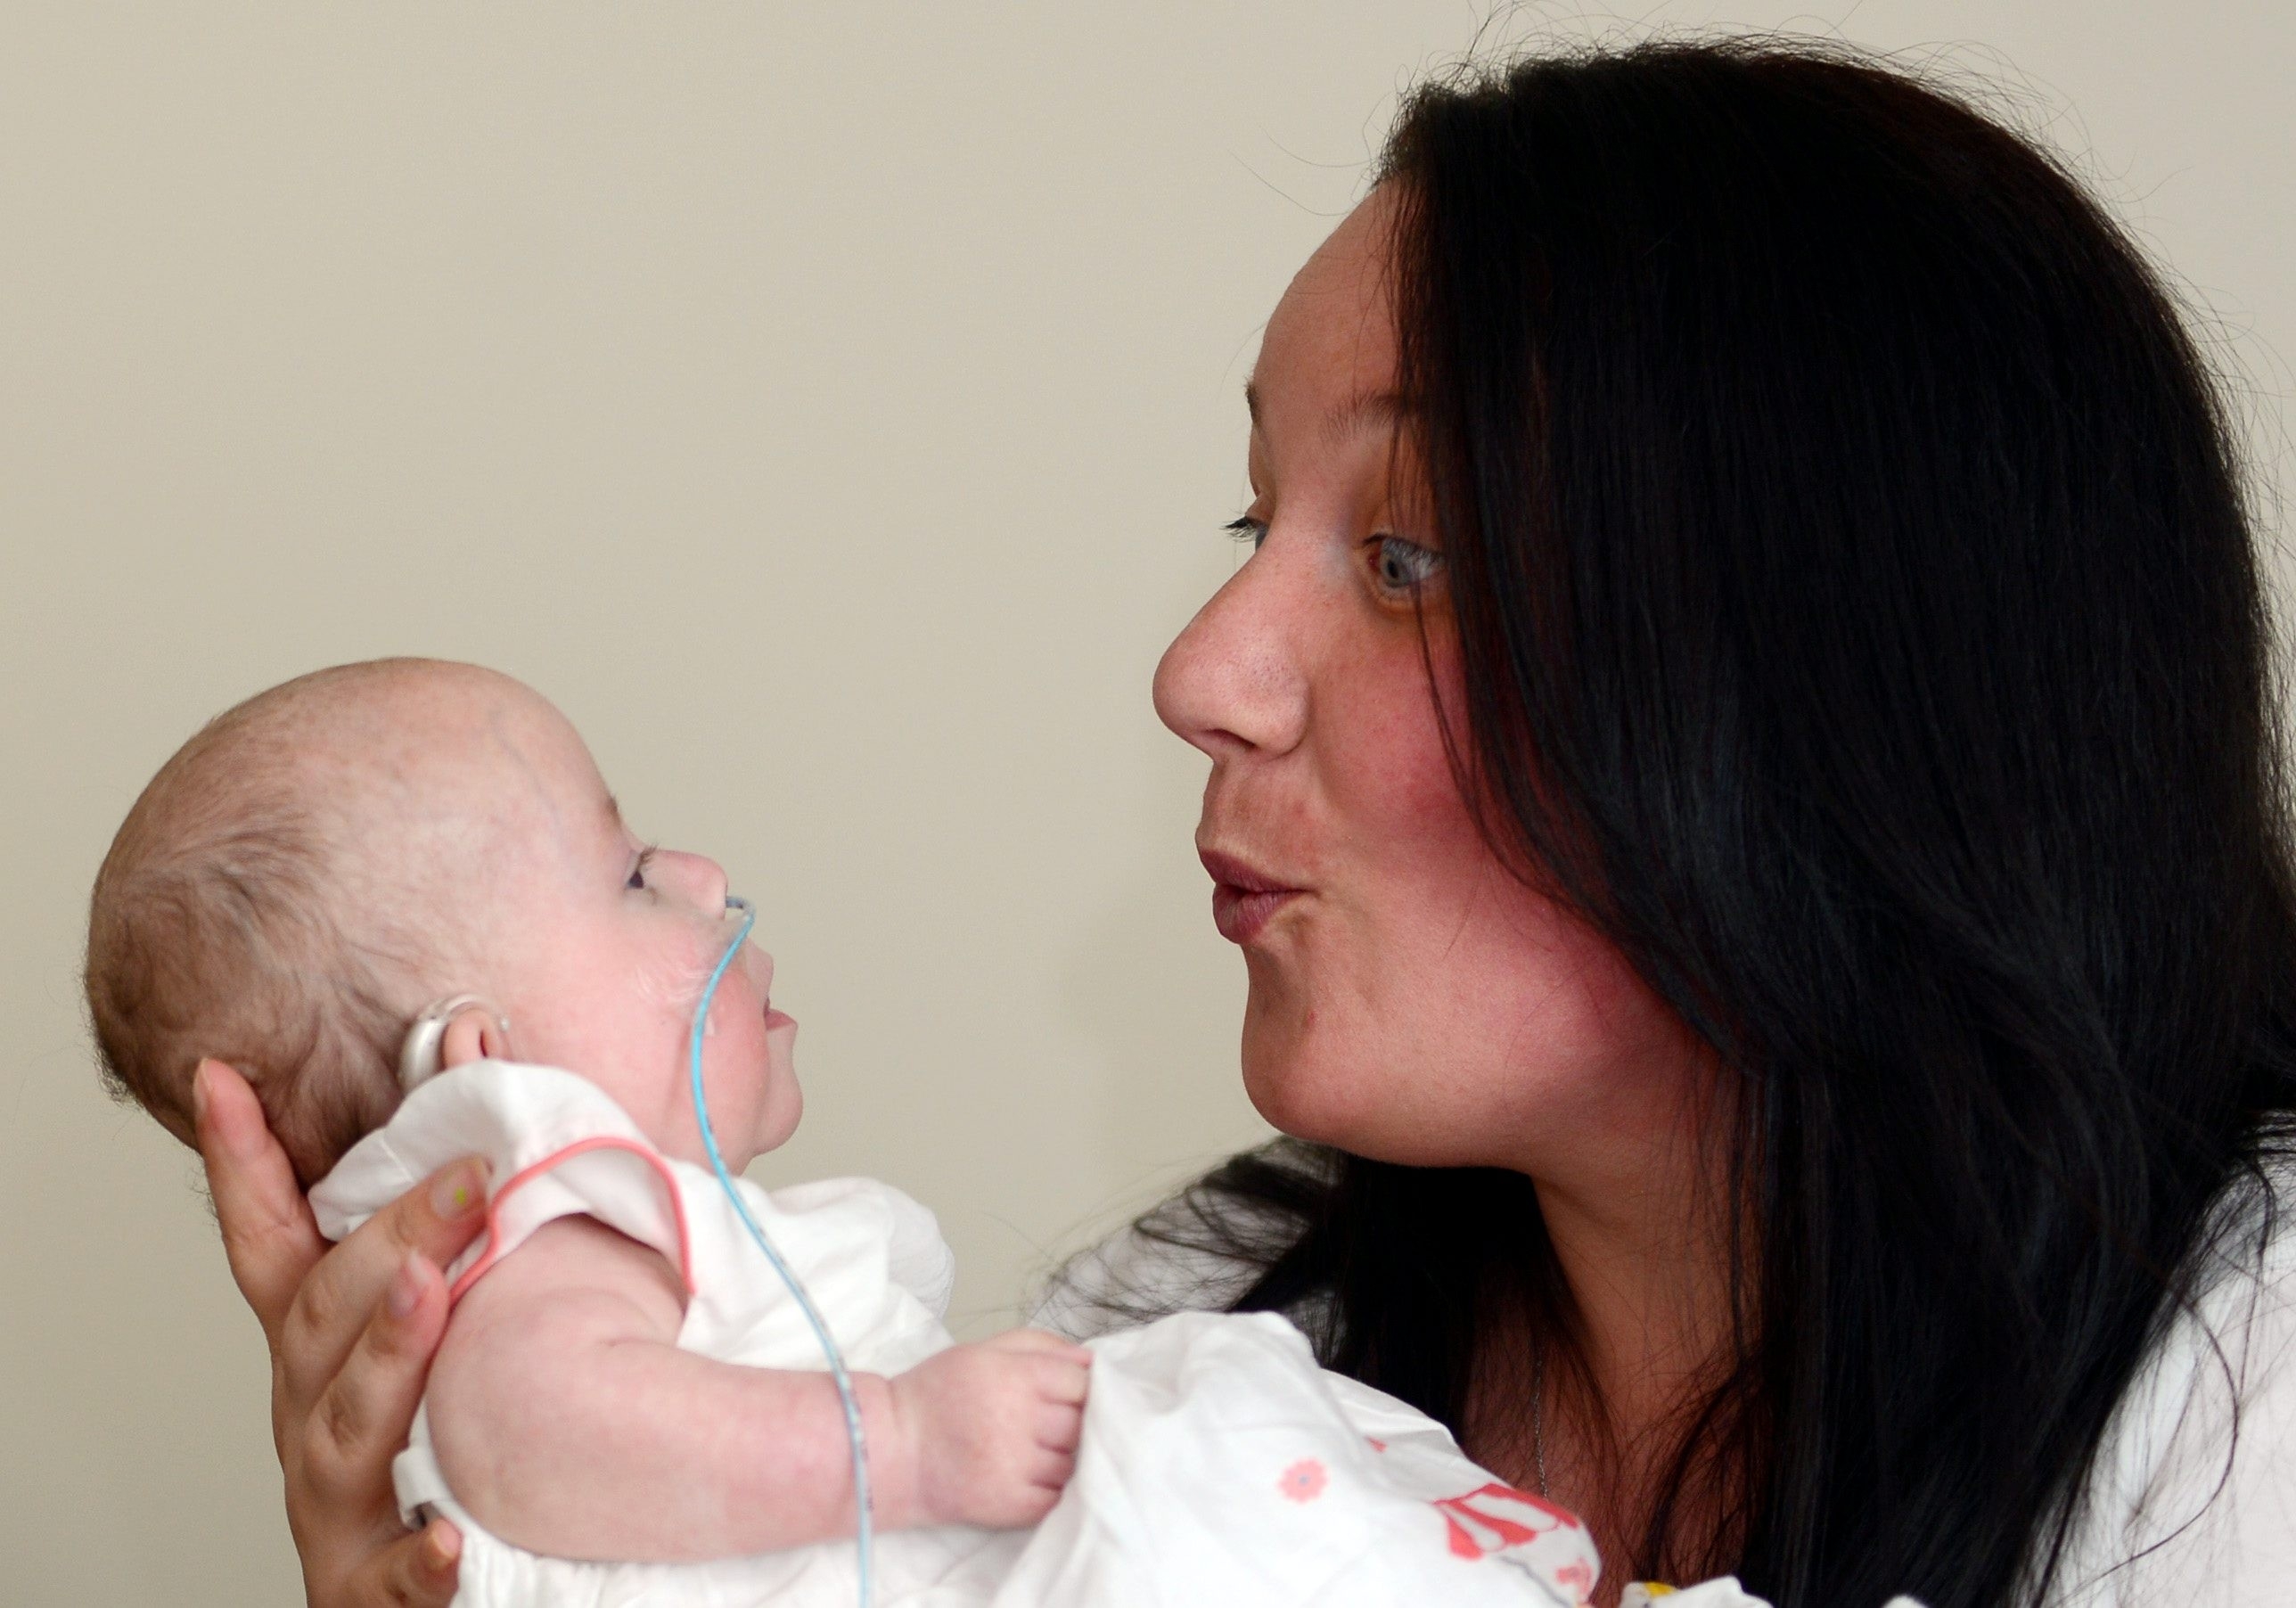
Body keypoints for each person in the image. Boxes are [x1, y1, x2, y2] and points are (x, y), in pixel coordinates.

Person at [184, 37, 2296, 1608]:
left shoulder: (2248, 1416)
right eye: (1248, 516)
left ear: (1843, 671)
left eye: (1404, 556)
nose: (1199, 666)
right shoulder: (1164, 1347)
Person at [94, 658, 1607, 1608]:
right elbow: (527, 1428)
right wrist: (904, 1443)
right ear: (484, 1065)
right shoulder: (535, 1209)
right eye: (626, 876)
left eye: (1401, 559)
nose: (698, 871)